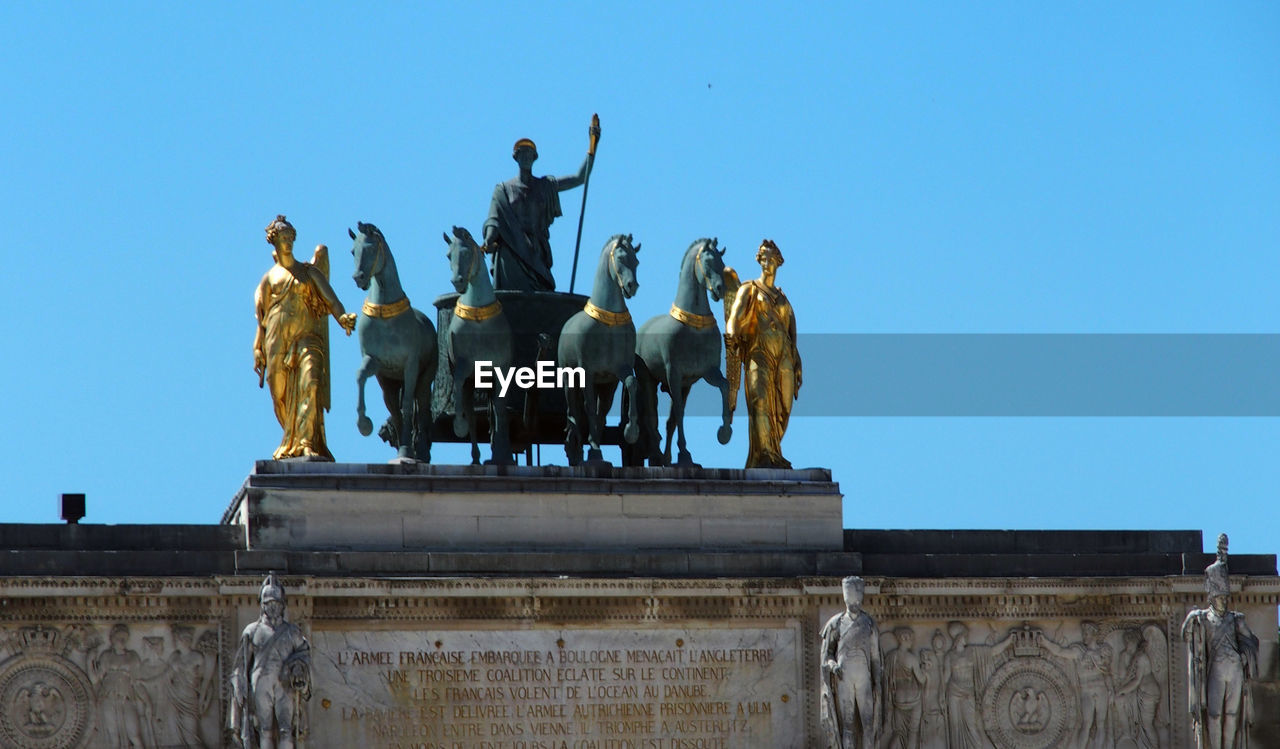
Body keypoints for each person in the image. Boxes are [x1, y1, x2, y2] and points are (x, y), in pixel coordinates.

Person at [253, 215, 356, 461]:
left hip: (308, 339)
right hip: (277, 340)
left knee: (311, 384)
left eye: (290, 238)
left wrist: (342, 318)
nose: (287, 243)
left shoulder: (309, 272)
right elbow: (262, 319)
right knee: (280, 393)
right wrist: (258, 348)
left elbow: (331, 300)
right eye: (283, 238)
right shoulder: (269, 279)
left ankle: (308, 442)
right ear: (274, 242)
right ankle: (293, 439)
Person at [482, 120, 599, 291]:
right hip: (511, 254)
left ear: (535, 158)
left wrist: (593, 147)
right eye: (523, 154)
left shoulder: (545, 186)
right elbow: (494, 220)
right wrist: (488, 240)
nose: (527, 158)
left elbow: (580, 178)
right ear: (516, 157)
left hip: (537, 253)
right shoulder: (503, 190)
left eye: (530, 155)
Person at [724, 239, 802, 469]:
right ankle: (765, 453)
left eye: (771, 259)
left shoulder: (783, 298)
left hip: (785, 358)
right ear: (759, 261)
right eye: (763, 258)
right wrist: (731, 335)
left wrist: (797, 362)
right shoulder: (749, 288)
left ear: (778, 263)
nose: (767, 262)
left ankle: (775, 449)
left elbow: (791, 333)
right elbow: (734, 318)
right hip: (759, 354)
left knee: (783, 407)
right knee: (760, 401)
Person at [1182, 534, 1259, 749]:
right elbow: (1184, 635)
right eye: (1219, 598)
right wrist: (1190, 617)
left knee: (1232, 714)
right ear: (1212, 597)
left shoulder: (1237, 619)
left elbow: (1252, 642)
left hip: (1234, 669)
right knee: (1214, 714)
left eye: (1225, 598)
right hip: (1216, 669)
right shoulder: (1203, 618)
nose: (1223, 601)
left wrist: (1245, 655)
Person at [230, 573, 312, 749]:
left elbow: (304, 652)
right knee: (264, 729)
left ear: (283, 606)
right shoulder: (251, 631)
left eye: (276, 603)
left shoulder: (292, 631)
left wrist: (298, 667)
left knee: (286, 729)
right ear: (262, 605)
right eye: (269, 604)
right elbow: (241, 664)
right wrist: (239, 686)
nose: (273, 607)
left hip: (285, 683)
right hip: (260, 683)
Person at [820, 576, 882, 748]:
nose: (854, 603)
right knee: (847, 727)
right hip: (843, 679)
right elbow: (827, 655)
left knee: (868, 725)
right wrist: (833, 666)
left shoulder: (869, 624)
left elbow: (876, 658)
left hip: (864, 680)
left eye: (857, 598)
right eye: (851, 599)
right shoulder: (835, 624)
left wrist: (877, 683)